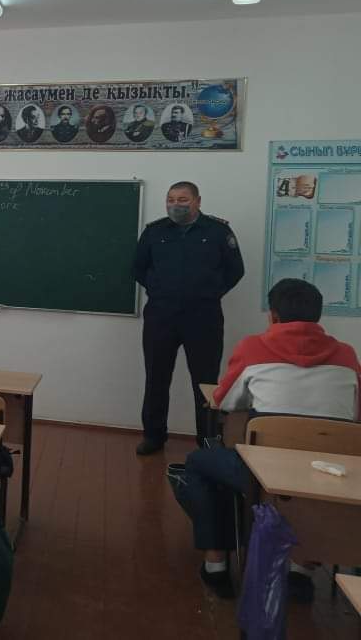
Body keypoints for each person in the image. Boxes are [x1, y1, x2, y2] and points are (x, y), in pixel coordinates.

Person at [172, 279, 359, 600]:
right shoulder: (347, 356)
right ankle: (301, 569)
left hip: (261, 476)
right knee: (308, 490)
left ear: (273, 316)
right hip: (329, 477)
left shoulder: (253, 348)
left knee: (199, 462)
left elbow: (224, 400)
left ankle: (216, 564)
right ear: (318, 316)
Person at [133, 182, 244, 455]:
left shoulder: (218, 231)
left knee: (205, 383)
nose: (176, 204)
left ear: (197, 201)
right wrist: (160, 290)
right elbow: (138, 268)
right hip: (161, 317)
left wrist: (209, 293)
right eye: (170, 199)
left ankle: (207, 440)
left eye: (182, 199)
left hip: (203, 318)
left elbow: (235, 270)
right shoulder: (154, 231)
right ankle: (153, 436)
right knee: (156, 379)